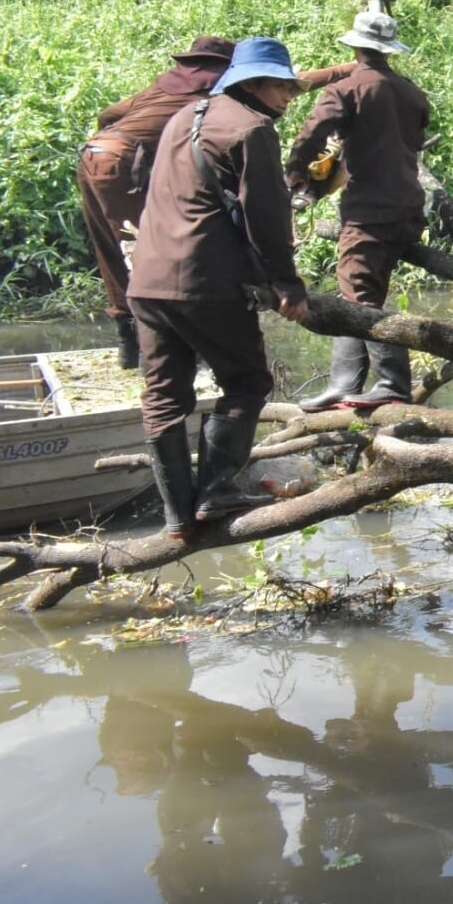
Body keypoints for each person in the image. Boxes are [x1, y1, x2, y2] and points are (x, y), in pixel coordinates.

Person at [127, 37, 313, 540]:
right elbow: (266, 216)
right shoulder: (253, 129)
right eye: (282, 88)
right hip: (203, 282)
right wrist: (286, 283)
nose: (288, 98)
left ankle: (176, 519)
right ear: (253, 84)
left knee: (164, 396)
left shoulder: (185, 116)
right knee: (247, 382)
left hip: (146, 280)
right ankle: (215, 493)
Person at [79, 39, 354, 368]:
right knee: (146, 249)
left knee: (113, 251)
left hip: (93, 153)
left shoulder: (169, 83)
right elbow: (291, 83)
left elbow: (109, 113)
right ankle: (154, 346)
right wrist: (346, 70)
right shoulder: (219, 90)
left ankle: (130, 347)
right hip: (125, 162)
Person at [286, 1, 432, 411]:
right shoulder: (412, 93)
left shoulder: (346, 89)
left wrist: (295, 181)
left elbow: (313, 137)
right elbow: (413, 142)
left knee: (358, 293)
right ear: (388, 50)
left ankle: (391, 382)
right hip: (408, 209)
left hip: (371, 212)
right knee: (358, 291)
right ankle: (345, 382)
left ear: (356, 49)